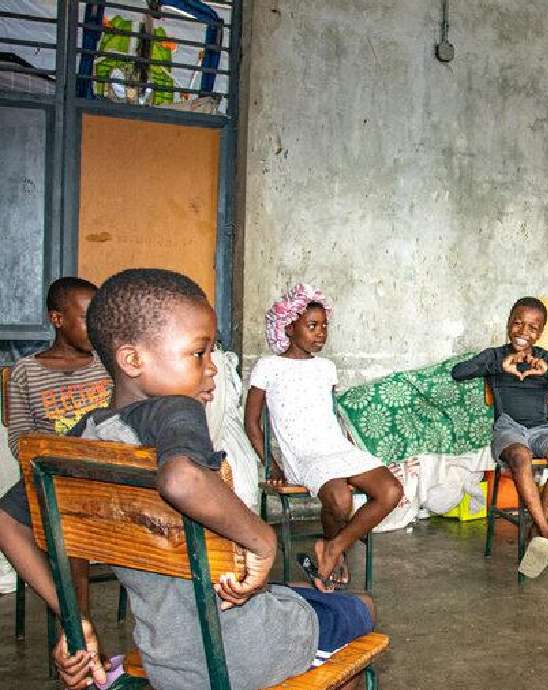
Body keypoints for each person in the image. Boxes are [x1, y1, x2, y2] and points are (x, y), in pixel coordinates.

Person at [73, 268, 376, 690]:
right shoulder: (177, 413)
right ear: (132, 359)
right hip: (244, 654)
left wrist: (77, 621)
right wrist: (263, 540)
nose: (212, 369)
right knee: (361, 607)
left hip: (169, 660)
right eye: (199, 354)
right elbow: (180, 479)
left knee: (291, 591)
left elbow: (11, 521)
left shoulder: (85, 439)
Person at [244, 283, 402, 592]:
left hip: (336, 447)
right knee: (340, 500)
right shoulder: (269, 366)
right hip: (303, 453)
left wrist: (352, 448)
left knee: (391, 490)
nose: (320, 333)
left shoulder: (326, 368)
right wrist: (272, 467)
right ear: (289, 327)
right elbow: (252, 422)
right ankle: (334, 551)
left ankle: (333, 548)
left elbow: (327, 417)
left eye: (324, 326)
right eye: (312, 326)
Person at [0, 276, 113, 688]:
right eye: (87, 318)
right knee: (69, 537)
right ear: (57, 319)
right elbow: (21, 441)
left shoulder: (108, 363)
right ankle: (79, 636)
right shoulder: (26, 374)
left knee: (72, 530)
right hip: (58, 479)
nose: (97, 328)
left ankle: (76, 640)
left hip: (107, 476)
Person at [450, 297, 548, 578]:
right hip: (508, 428)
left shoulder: (547, 359)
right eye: (518, 323)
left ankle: (535, 536)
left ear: (540, 333)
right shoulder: (494, 356)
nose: (523, 332)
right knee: (520, 456)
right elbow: (458, 373)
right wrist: (497, 367)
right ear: (508, 324)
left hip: (542, 429)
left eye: (532, 327)